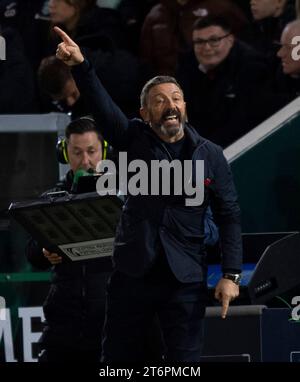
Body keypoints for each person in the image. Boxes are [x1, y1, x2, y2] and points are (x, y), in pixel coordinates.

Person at [55, 26, 242, 362]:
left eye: (176, 98)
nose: (169, 105)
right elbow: (102, 106)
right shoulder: (132, 140)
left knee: (183, 366)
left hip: (184, 279)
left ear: (185, 107)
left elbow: (229, 216)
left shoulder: (210, 154)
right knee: (117, 364)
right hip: (132, 275)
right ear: (144, 114)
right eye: (159, 101)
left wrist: (230, 275)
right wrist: (81, 66)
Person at [26, 117, 112, 362]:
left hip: (112, 323)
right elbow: (32, 252)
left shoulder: (122, 197)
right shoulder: (52, 198)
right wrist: (43, 251)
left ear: (104, 151)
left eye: (91, 151)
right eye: (76, 152)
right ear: (65, 153)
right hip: (63, 325)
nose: (85, 160)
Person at [176, 15, 270, 147]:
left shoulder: (252, 67)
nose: (207, 48)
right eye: (199, 42)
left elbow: (243, 121)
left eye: (214, 40)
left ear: (230, 40)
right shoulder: (188, 62)